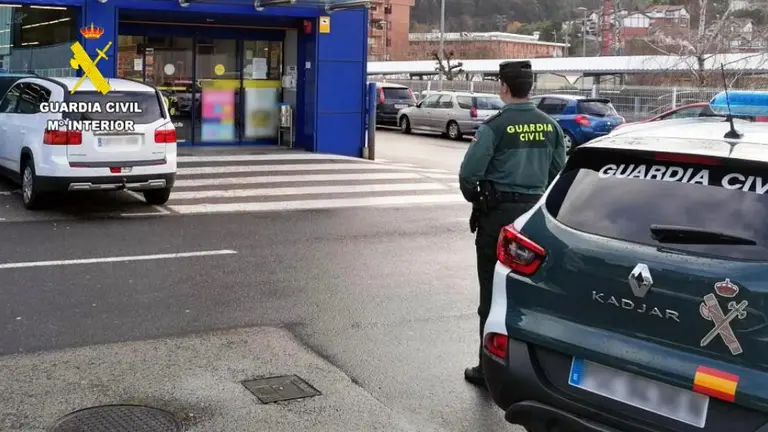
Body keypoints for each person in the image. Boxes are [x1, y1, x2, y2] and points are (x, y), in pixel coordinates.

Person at [458, 60, 567, 387]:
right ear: (530, 86)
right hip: (535, 221)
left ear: (503, 86)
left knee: (493, 294)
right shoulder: (551, 126)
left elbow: (468, 175)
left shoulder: (496, 126)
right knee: (534, 293)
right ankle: (538, 371)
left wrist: (478, 200)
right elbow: (558, 173)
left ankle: (488, 368)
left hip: (499, 219)